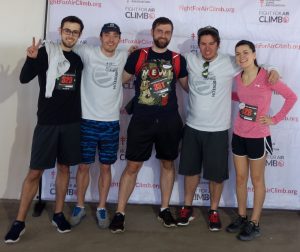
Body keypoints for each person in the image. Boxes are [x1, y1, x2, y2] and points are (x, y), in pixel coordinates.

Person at [176, 26, 279, 231]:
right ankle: (187, 207)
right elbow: (166, 60)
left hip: (218, 129)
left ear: (218, 44)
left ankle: (214, 210)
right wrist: (134, 51)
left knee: (215, 174)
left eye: (211, 44)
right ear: (198, 45)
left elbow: (252, 63)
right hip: (192, 126)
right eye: (203, 44)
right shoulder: (190, 59)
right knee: (190, 171)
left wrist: (273, 68)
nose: (207, 48)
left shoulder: (229, 61)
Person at [4, 16, 84, 243]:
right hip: (47, 123)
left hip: (71, 123)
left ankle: (58, 214)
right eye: (67, 30)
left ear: (79, 35)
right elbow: (23, 78)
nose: (70, 35)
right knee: (34, 173)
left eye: (75, 32)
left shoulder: (78, 60)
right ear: (60, 31)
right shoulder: (44, 53)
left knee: (64, 168)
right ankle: (19, 222)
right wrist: (30, 59)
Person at [108, 17, 188, 233]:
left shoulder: (178, 59)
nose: (163, 35)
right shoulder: (138, 55)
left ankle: (164, 209)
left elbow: (189, 88)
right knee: (132, 166)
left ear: (171, 35)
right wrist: (125, 55)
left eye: (167, 32)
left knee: (168, 164)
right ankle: (120, 213)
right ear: (153, 32)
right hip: (141, 121)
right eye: (160, 31)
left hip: (169, 121)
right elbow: (118, 80)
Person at [225, 40, 297, 241]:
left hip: (258, 136)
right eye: (238, 54)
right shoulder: (237, 78)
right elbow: (238, 97)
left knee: (257, 181)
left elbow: (291, 97)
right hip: (239, 134)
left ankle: (254, 222)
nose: (241, 57)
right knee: (240, 178)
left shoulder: (267, 76)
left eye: (245, 52)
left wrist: (275, 119)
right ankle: (241, 216)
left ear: (254, 54)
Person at [69, 23, 128, 229]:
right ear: (101, 37)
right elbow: (66, 45)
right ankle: (79, 205)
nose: (111, 40)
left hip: (111, 122)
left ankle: (102, 207)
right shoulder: (87, 51)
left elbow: (136, 63)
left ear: (120, 39)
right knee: (83, 166)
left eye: (115, 36)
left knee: (105, 167)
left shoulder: (123, 56)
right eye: (107, 35)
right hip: (87, 120)